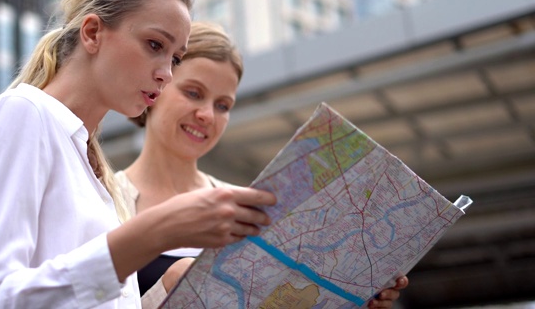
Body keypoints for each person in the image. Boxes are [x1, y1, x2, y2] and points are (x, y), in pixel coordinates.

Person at [0, 0, 276, 309]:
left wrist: (167, 289)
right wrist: (155, 232)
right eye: (155, 45)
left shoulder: (90, 165)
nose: (166, 72)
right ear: (92, 33)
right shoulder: (23, 114)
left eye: (175, 59)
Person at [116, 21, 409, 309]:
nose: (207, 114)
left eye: (223, 105)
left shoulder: (248, 208)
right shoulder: (103, 198)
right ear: (157, 85)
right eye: (193, 93)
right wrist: (167, 288)